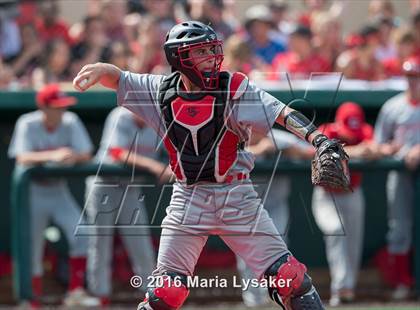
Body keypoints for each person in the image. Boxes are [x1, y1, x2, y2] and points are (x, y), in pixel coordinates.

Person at [73, 21, 349, 310]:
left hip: (236, 195)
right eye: (200, 51)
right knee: (165, 294)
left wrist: (319, 139)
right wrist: (103, 69)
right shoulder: (160, 90)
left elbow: (281, 112)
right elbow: (119, 79)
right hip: (188, 198)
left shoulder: (233, 87)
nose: (211, 57)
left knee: (290, 279)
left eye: (211, 49)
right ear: (179, 58)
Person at [8, 84, 99, 307]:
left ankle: (76, 292)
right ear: (42, 106)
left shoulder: (70, 121)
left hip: (58, 190)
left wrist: (73, 157)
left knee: (82, 233)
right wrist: (53, 154)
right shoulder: (27, 123)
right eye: (55, 107)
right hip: (33, 192)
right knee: (32, 246)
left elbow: (86, 153)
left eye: (63, 107)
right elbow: (21, 158)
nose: (61, 111)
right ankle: (31, 299)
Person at [85, 107, 172, 306]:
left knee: (140, 242)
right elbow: (117, 152)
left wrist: (167, 166)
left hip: (130, 187)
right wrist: (153, 167)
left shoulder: (160, 121)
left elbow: (170, 150)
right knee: (100, 242)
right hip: (104, 185)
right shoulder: (120, 116)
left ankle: (152, 295)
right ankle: (100, 296)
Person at [312, 102, 383, 306]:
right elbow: (320, 150)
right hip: (326, 195)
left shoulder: (365, 130)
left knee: (352, 243)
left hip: (352, 192)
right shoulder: (327, 129)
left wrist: (359, 150)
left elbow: (375, 148)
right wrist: (359, 150)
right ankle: (340, 287)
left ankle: (346, 290)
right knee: (335, 230)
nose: (350, 135)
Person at [237, 129, 313, 307]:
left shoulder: (279, 138)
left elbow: (309, 153)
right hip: (243, 206)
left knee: (278, 250)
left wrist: (286, 150)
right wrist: (258, 150)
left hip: (275, 203)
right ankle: (254, 302)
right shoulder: (232, 137)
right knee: (246, 253)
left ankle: (275, 297)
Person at [374, 56, 420, 300]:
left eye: (417, 77)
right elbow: (379, 144)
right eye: (410, 77)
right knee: (399, 225)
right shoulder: (393, 107)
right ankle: (402, 281)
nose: (413, 82)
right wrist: (388, 149)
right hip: (401, 172)